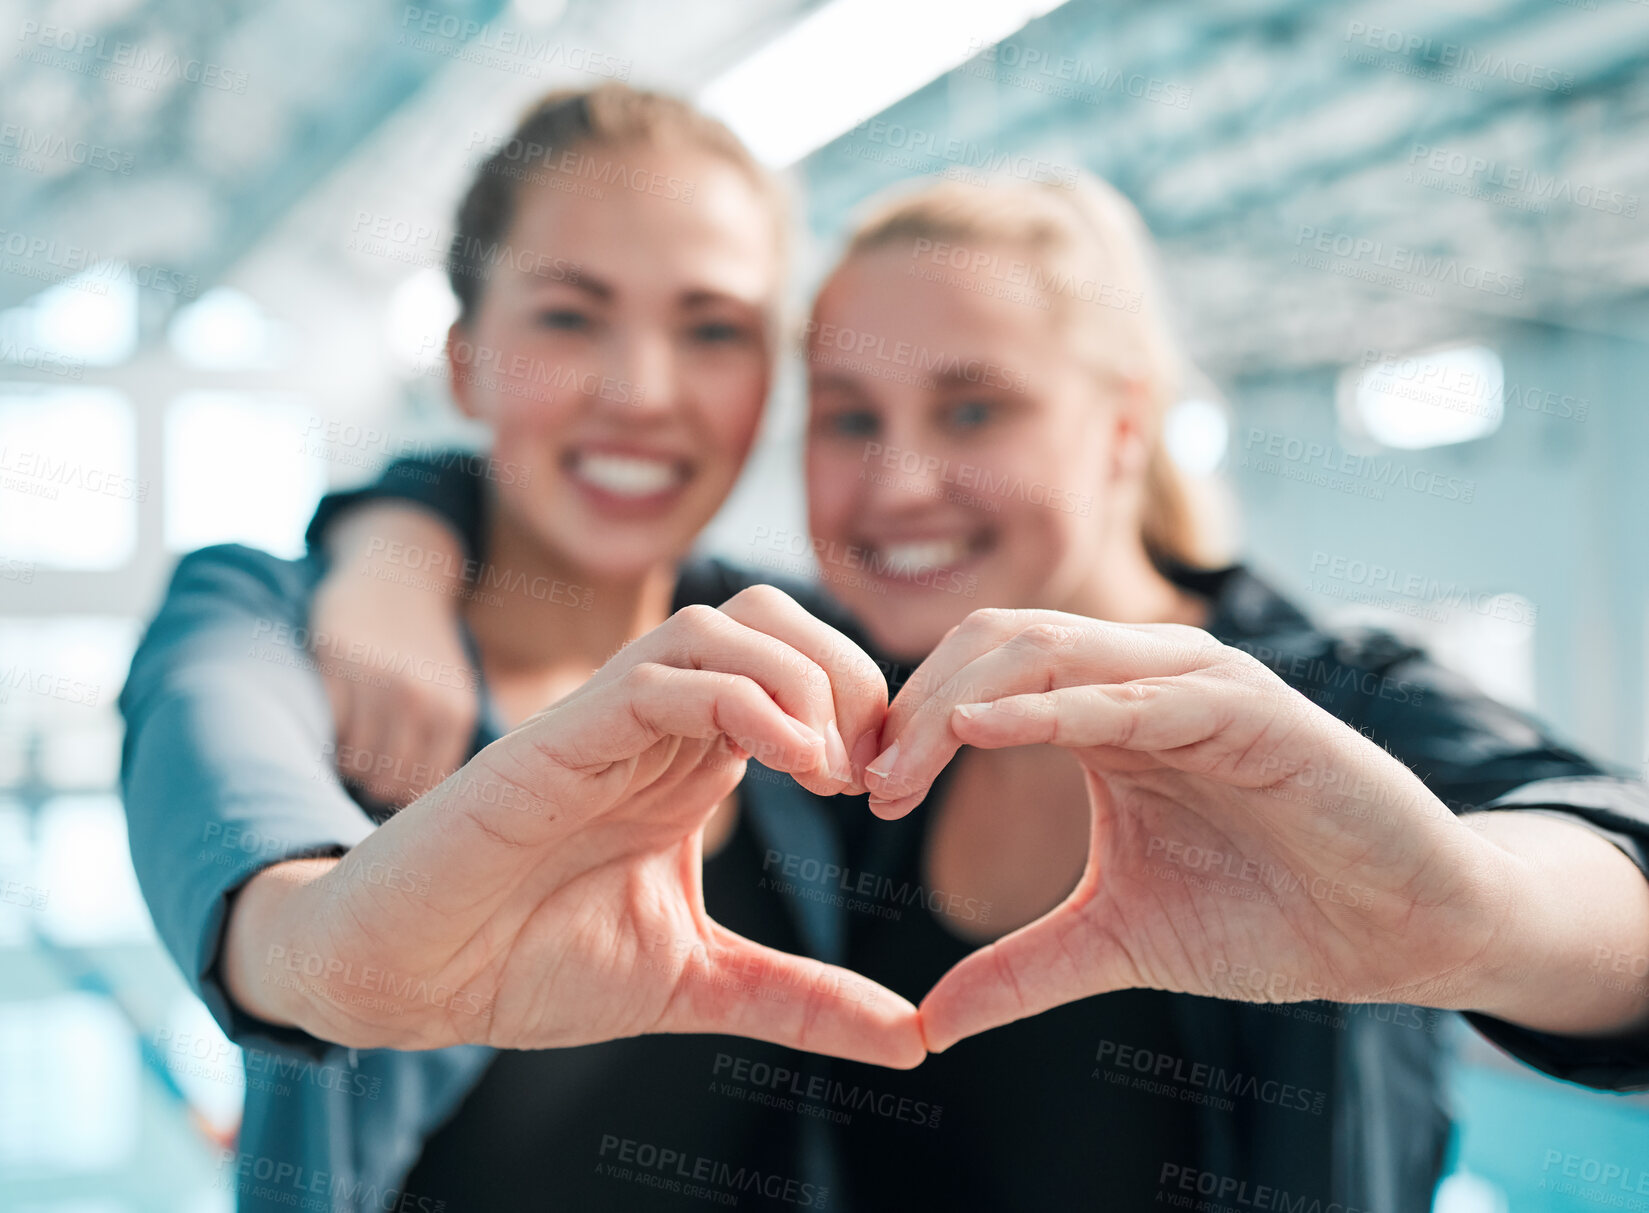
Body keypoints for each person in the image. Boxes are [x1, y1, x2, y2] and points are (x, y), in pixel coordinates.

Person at [306, 174, 1649, 1210]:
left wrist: (1468, 914)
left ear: (1123, 423)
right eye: (847, 416)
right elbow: (553, 507)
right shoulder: (842, 688)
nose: (895, 485)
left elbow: (1614, 863)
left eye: (971, 410)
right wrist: (387, 553)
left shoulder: (1311, 708)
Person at [121, 84, 924, 1213]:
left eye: (710, 329)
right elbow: (268, 907)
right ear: (462, 358)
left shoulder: (815, 657)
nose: (640, 392)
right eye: (566, 315)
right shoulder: (265, 623)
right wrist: (342, 952)